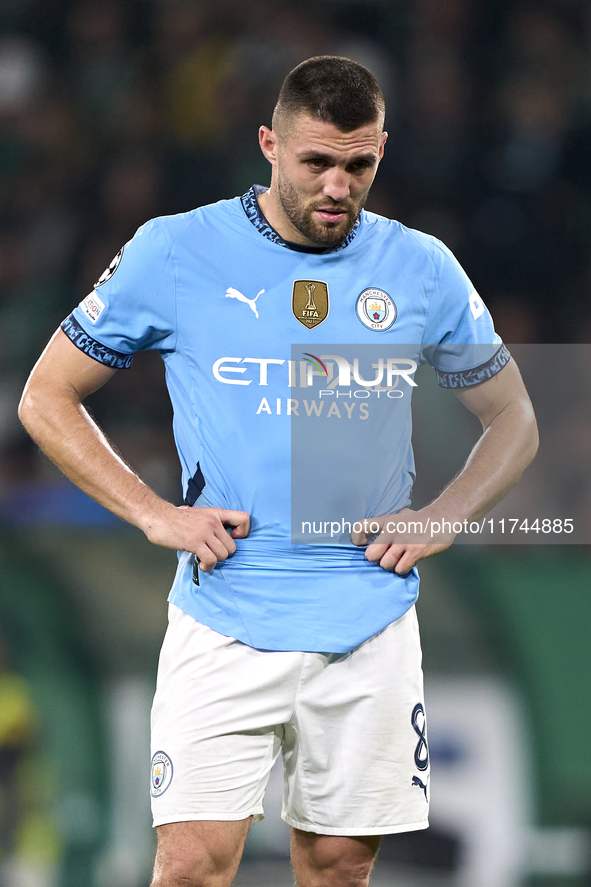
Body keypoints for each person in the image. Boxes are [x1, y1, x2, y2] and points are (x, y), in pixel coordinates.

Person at [19, 56, 538, 887]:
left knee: (336, 867)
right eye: (316, 162)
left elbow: (513, 416)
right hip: (225, 610)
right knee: (190, 865)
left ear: (381, 152)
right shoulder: (176, 251)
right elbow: (47, 397)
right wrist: (153, 512)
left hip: (366, 617)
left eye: (358, 164)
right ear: (269, 143)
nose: (337, 185)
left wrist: (444, 514)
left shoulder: (421, 267)